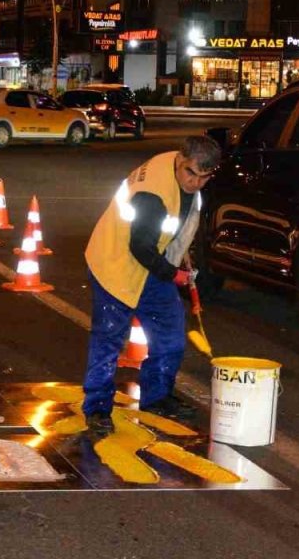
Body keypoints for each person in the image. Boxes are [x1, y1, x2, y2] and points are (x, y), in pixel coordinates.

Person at [80, 136, 221, 433]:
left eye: (204, 177)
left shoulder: (181, 170)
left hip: (152, 267)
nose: (195, 183)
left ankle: (156, 397)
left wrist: (178, 258)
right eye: (190, 173)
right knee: (109, 340)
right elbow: (141, 246)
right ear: (180, 161)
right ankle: (96, 408)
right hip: (115, 264)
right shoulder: (152, 192)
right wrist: (174, 275)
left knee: (170, 336)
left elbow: (174, 229)